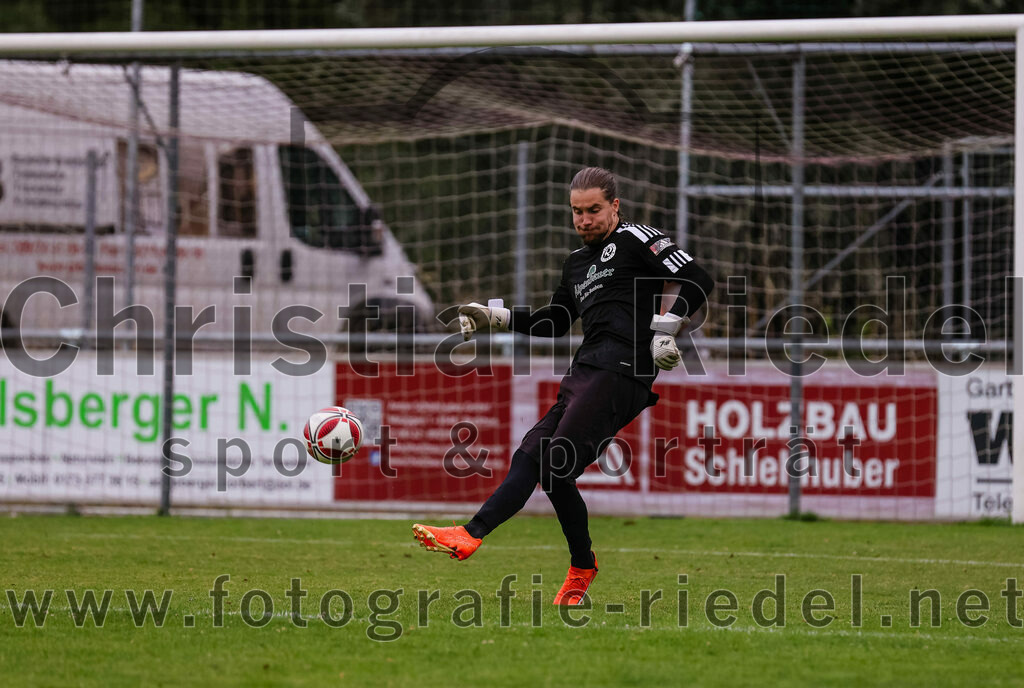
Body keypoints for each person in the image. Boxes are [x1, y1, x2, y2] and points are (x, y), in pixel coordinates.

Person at [413, 166, 714, 606]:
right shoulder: (576, 263)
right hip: (585, 370)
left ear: (615, 206)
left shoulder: (635, 238)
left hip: (623, 371)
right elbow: (555, 322)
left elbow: (697, 278)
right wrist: (496, 317)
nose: (584, 220)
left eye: (593, 210)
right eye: (577, 212)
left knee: (555, 462)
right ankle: (490, 540)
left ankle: (497, 540)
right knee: (534, 456)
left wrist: (667, 326)